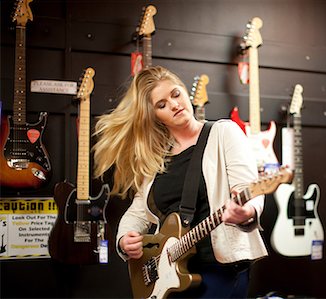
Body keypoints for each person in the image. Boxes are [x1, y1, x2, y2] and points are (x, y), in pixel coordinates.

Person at [92, 65, 268, 298]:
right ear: (154, 116)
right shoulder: (157, 156)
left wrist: (246, 212)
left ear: (184, 92)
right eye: (161, 105)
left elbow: (248, 190)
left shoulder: (224, 132)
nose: (174, 105)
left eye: (176, 94)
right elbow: (139, 210)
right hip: (169, 274)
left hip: (220, 270)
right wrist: (124, 240)